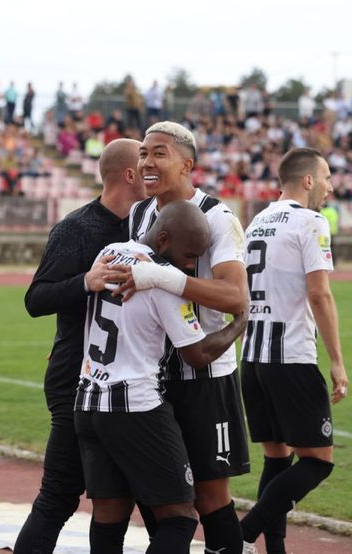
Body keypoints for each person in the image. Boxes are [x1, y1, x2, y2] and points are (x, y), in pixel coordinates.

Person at [76, 200, 248, 554]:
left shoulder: (110, 252)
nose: (190, 267)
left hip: (89, 401)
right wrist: (239, 324)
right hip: (136, 407)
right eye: (189, 255)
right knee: (180, 517)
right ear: (165, 238)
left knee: (109, 515)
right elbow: (196, 355)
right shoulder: (163, 281)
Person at [115, 121, 251, 554]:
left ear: (186, 164)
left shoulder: (218, 216)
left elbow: (235, 297)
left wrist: (164, 276)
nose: (147, 163)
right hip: (152, 376)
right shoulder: (139, 213)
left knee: (211, 498)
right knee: (164, 498)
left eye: (159, 153)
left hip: (207, 375)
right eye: (143, 154)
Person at [15, 138, 146, 554]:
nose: (152, 169)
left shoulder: (147, 226)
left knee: (124, 500)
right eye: (144, 162)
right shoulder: (77, 227)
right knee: (59, 495)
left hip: (127, 381)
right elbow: (36, 298)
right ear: (129, 174)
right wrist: (85, 283)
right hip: (76, 379)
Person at [238, 148, 348, 553]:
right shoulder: (311, 222)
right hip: (291, 357)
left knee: (277, 459)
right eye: (326, 177)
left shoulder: (256, 222)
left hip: (253, 356)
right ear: (307, 181)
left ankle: (273, 551)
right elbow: (319, 294)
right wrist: (337, 360)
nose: (330, 186)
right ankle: (242, 535)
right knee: (318, 461)